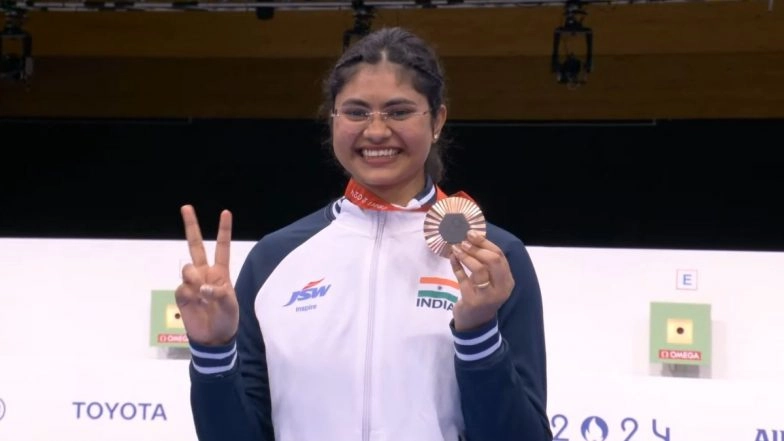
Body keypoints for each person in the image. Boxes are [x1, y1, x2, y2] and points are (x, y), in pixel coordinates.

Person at [175, 26, 552, 441]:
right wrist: (213, 352)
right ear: (333, 120)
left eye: (399, 111)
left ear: (438, 119)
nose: (375, 131)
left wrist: (479, 332)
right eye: (356, 112)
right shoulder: (274, 259)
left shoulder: (493, 258)